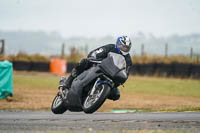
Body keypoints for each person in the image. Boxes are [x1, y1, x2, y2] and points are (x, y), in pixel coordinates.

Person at [61, 36, 133, 101]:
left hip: (112, 75)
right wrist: (93, 57)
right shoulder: (110, 47)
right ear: (118, 44)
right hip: (99, 66)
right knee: (84, 62)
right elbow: (98, 51)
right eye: (124, 47)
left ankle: (98, 95)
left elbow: (126, 73)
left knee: (116, 95)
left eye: (127, 48)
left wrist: (121, 79)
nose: (125, 49)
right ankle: (68, 81)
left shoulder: (128, 59)